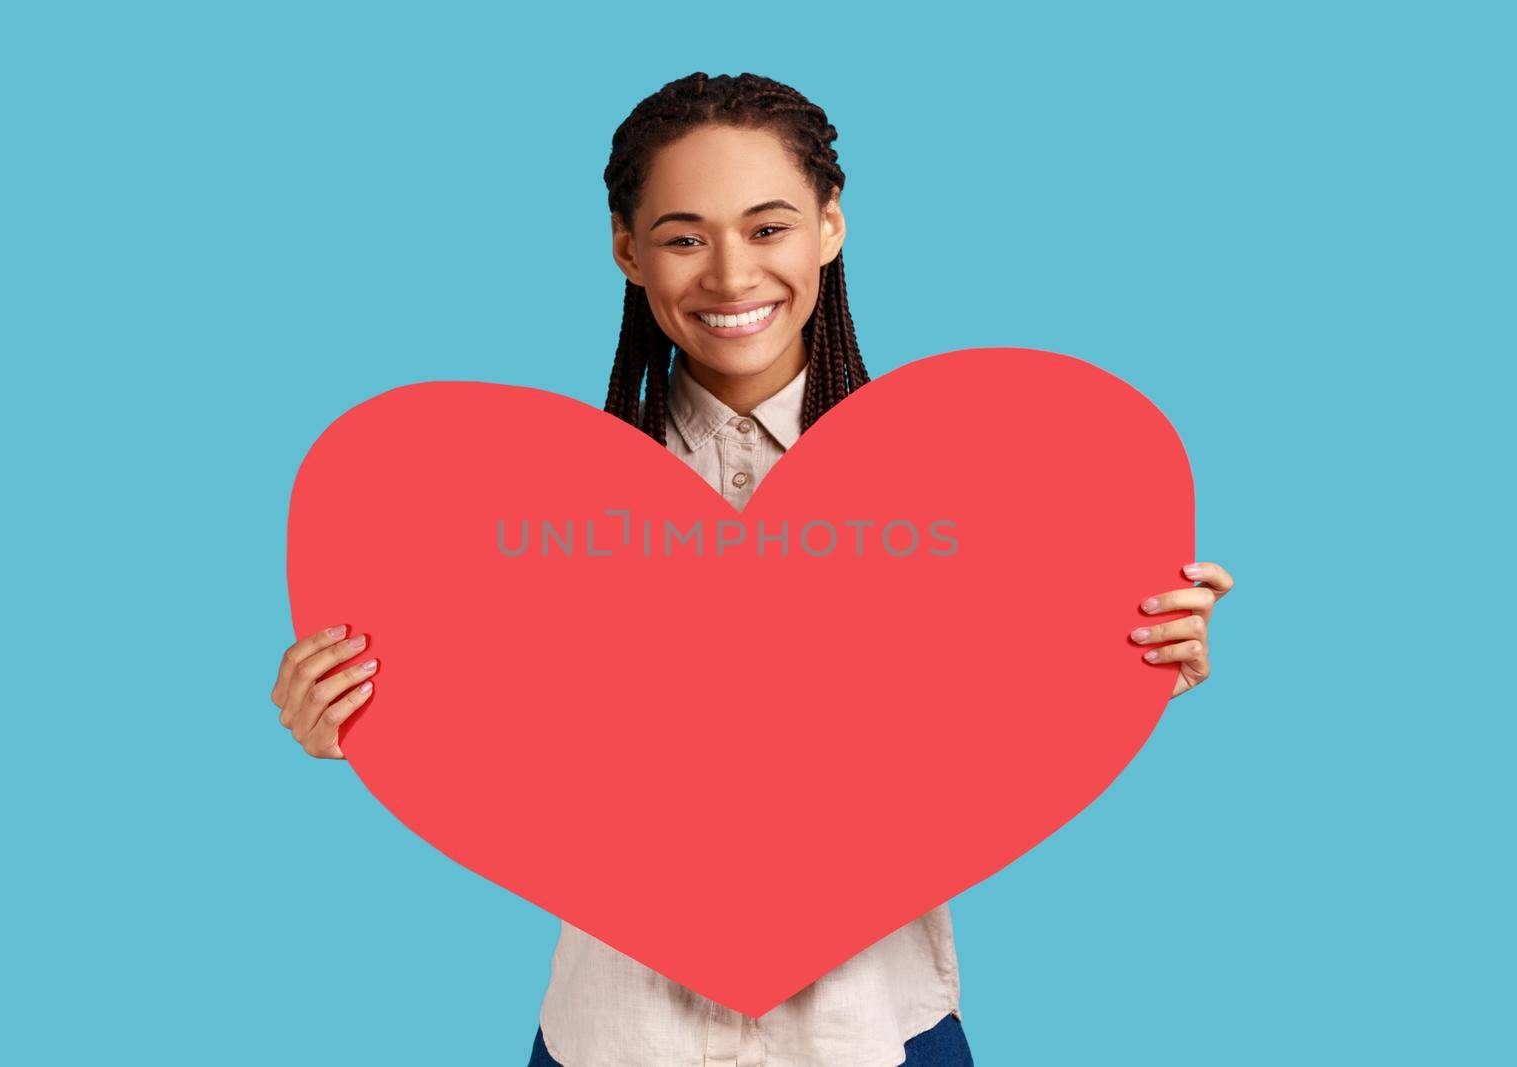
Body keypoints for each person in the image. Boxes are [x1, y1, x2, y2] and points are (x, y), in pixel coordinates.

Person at [270, 71, 1236, 1067]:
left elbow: (998, 704)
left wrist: (1130, 650)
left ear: (829, 226)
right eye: (685, 235)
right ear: (625, 250)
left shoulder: (975, 507)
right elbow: (488, 721)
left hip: (872, 1032)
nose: (730, 274)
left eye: (768, 228)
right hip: (618, 1038)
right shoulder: (519, 528)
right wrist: (366, 718)